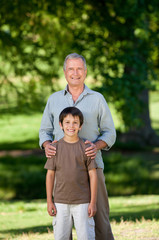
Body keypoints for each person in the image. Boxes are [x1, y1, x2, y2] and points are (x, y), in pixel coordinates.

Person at [39, 53, 116, 240]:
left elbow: (110, 133)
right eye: (71, 69)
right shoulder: (54, 99)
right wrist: (47, 144)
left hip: (92, 167)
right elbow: (44, 130)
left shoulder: (97, 98)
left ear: (86, 71)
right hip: (62, 170)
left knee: (99, 218)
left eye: (79, 68)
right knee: (63, 221)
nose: (75, 73)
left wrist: (96, 146)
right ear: (65, 72)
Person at [44, 106, 97, 240]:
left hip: (83, 202)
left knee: (86, 236)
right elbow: (50, 175)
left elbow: (93, 175)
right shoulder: (54, 148)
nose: (71, 126)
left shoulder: (86, 148)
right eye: (67, 122)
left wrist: (93, 202)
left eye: (75, 122)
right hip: (60, 202)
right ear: (61, 125)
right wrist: (50, 201)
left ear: (80, 126)